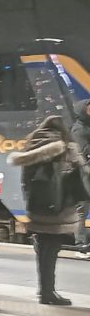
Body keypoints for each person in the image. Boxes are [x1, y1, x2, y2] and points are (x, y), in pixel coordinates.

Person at [8, 116, 89, 305]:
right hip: (58, 209)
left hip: (39, 208)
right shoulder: (67, 147)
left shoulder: (31, 146)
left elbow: (26, 182)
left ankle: (45, 290)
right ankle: (48, 292)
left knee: (43, 251)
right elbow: (81, 173)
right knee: (50, 252)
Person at [72, 99, 90, 252]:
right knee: (82, 209)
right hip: (83, 176)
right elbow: (83, 152)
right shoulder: (79, 129)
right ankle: (80, 242)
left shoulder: (87, 127)